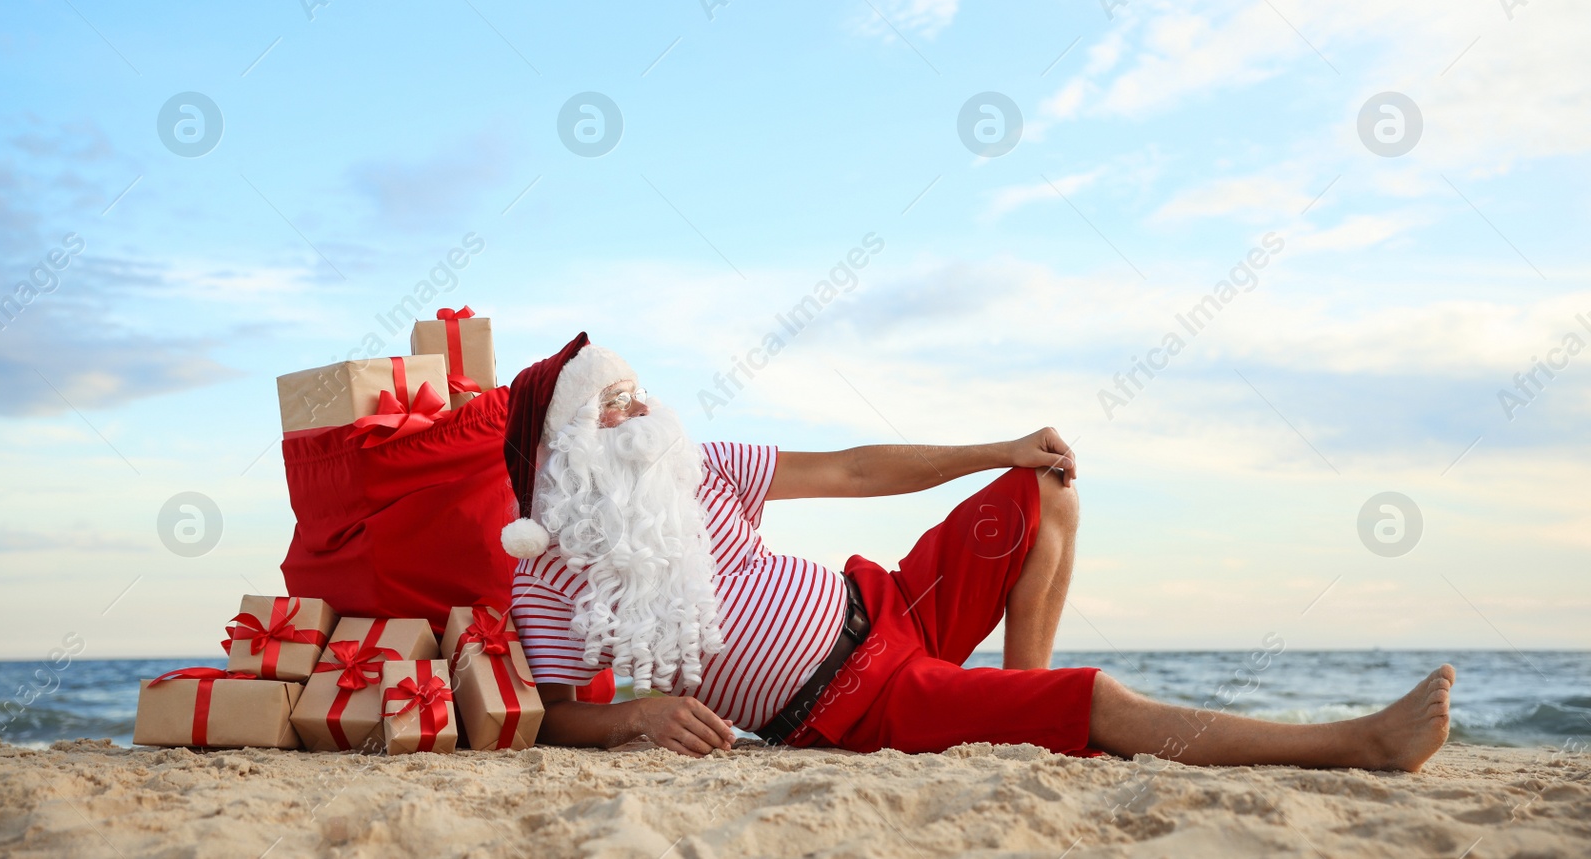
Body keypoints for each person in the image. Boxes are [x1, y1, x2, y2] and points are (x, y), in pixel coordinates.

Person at [502, 333, 1454, 769]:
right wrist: (643, 716)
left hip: (892, 608)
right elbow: (548, 717)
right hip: (857, 702)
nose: (636, 412)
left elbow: (850, 473)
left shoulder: (696, 467)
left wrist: (994, 450)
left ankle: (1019, 710)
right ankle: (1359, 742)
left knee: (1040, 489)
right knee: (1103, 700)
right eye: (608, 405)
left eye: (635, 392)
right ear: (564, 451)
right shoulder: (545, 576)